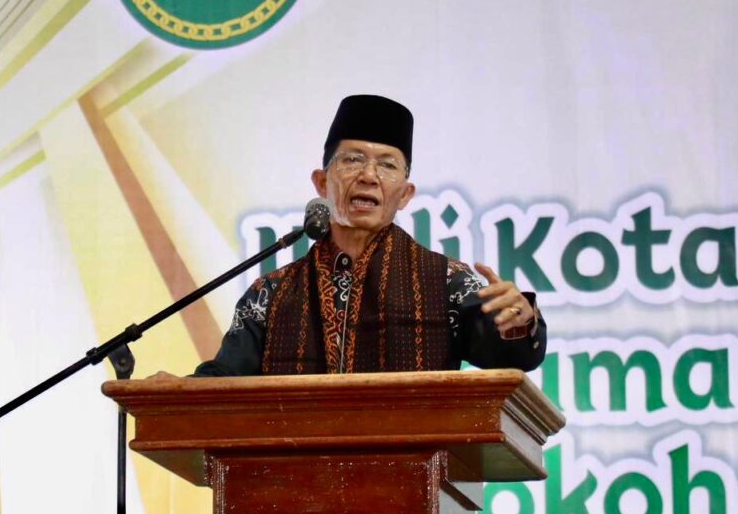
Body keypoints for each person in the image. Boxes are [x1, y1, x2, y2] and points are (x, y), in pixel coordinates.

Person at [193, 94, 545, 376]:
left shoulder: (447, 282)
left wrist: (519, 321)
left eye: (387, 165)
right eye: (352, 160)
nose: (369, 176)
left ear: (405, 194)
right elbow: (224, 381)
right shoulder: (271, 294)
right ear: (321, 182)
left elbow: (512, 356)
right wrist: (178, 390)